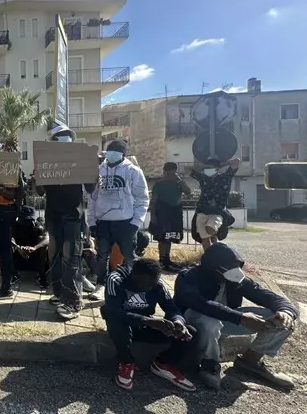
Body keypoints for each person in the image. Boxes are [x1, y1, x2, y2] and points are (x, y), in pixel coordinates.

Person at [174, 243, 298, 391]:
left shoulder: (237, 280)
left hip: (229, 319)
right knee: (209, 322)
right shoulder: (188, 276)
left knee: (283, 321)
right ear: (212, 268)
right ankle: (209, 364)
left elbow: (271, 297)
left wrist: (286, 311)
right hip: (194, 323)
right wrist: (240, 317)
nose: (231, 277)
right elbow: (199, 303)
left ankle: (250, 361)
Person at [102, 258, 197, 392]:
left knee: (190, 333)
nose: (151, 288)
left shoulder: (157, 284)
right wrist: (147, 320)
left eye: (153, 284)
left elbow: (171, 308)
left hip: (145, 326)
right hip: (122, 324)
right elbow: (113, 311)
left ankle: (163, 364)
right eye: (147, 285)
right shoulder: (116, 279)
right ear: (135, 277)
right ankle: (126, 362)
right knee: (117, 323)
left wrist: (178, 322)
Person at [38, 123, 97, 319]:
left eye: (66, 137)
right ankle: (59, 294)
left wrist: (92, 171)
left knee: (71, 257)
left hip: (73, 216)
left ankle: (73, 302)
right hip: (53, 216)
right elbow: (40, 190)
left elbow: (90, 187)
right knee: (54, 257)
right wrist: (38, 175)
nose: (64, 141)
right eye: (60, 138)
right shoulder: (47, 160)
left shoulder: (80, 160)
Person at [87, 139, 149, 301]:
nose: (111, 154)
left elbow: (142, 199)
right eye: (109, 151)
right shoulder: (98, 171)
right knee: (102, 256)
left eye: (115, 151)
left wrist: (136, 223)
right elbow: (92, 198)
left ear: (123, 154)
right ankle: (102, 284)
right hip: (103, 222)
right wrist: (92, 222)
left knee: (129, 256)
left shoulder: (133, 171)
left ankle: (134, 287)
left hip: (125, 223)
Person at [0, 136, 25, 300]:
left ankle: (6, 287)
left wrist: (16, 208)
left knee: (4, 249)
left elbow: (18, 189)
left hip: (5, 211)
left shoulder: (9, 165)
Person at [149, 162, 192, 272]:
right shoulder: (159, 184)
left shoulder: (178, 184)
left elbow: (188, 192)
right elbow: (153, 201)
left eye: (172, 172)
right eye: (168, 172)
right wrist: (153, 215)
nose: (169, 175)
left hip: (175, 213)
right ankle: (162, 261)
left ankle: (167, 260)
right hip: (162, 213)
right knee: (162, 238)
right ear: (164, 172)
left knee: (170, 237)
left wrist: (179, 180)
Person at [190, 158, 240, 249]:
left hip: (217, 211)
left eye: (210, 168)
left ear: (217, 169)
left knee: (211, 230)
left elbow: (236, 161)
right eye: (206, 168)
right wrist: (204, 166)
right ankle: (210, 256)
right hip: (202, 210)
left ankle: (216, 248)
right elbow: (188, 169)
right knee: (204, 238)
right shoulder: (203, 178)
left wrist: (222, 164)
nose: (207, 170)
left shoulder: (225, 177)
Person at [11, 206, 51, 288]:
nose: (29, 222)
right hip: (19, 257)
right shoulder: (15, 226)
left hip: (35, 258)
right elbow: (9, 238)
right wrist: (18, 247)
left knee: (42, 243)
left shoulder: (39, 227)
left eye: (31, 219)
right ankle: (13, 274)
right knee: (4, 245)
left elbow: (47, 239)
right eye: (26, 220)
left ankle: (41, 276)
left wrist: (35, 247)